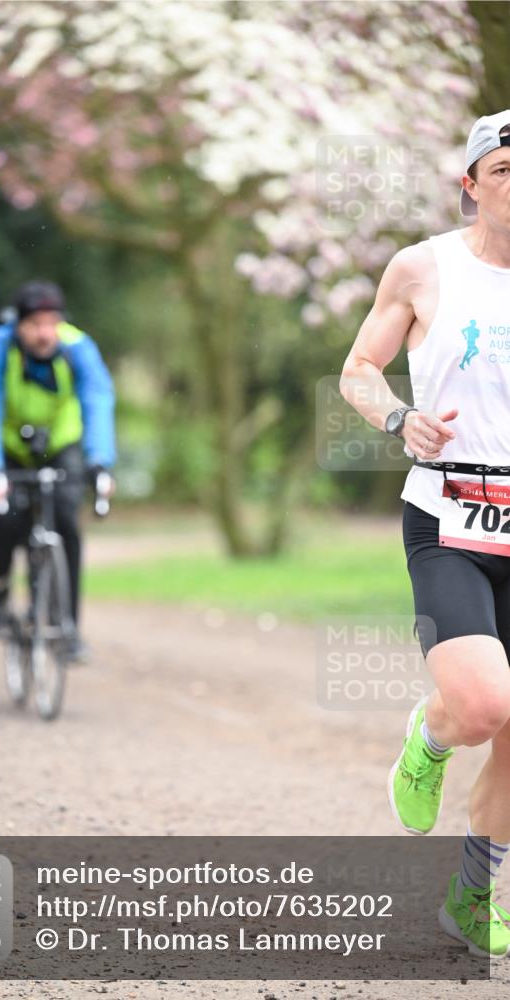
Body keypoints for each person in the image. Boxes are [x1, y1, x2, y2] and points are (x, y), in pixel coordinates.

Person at [340, 111, 510, 957]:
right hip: (450, 515)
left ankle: (474, 897)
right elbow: (358, 369)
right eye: (505, 168)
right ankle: (431, 733)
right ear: (471, 185)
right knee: (483, 706)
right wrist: (401, 417)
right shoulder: (423, 268)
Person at [0, 280, 116, 658]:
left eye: (51, 322)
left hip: (61, 444)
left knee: (66, 523)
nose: (44, 332)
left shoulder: (77, 347)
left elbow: (97, 400)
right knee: (5, 517)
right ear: (18, 325)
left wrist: (100, 463)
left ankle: (67, 628)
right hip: (11, 447)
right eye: (34, 324)